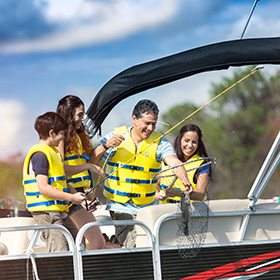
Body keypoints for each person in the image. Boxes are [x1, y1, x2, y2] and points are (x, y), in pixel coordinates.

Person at [92, 99, 192, 248]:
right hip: (121, 206)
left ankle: (111, 245)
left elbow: (173, 160)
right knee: (133, 246)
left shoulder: (160, 143)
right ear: (134, 119)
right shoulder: (115, 136)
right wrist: (106, 145)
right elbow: (91, 160)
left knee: (149, 246)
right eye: (147, 123)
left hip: (147, 208)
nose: (150, 128)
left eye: (154, 124)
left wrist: (184, 178)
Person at [56, 95, 119, 250]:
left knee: (81, 246)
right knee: (97, 242)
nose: (82, 119)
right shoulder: (61, 137)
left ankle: (82, 274)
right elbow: (59, 169)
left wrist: (105, 146)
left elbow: (87, 161)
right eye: (80, 115)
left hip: (80, 194)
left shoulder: (77, 136)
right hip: (69, 195)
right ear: (69, 114)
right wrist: (88, 168)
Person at [23, 112, 85, 252]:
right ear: (52, 133)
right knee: (60, 251)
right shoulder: (40, 155)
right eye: (61, 134)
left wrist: (79, 198)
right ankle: (59, 274)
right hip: (47, 214)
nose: (63, 138)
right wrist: (71, 198)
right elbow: (43, 187)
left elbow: (60, 184)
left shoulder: (53, 154)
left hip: (59, 211)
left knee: (77, 245)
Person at [156, 124, 211, 203]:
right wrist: (158, 195)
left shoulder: (202, 164)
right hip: (166, 212)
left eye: (194, 142)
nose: (190, 145)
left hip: (191, 212)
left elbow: (200, 195)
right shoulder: (166, 159)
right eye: (187, 140)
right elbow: (155, 189)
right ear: (180, 140)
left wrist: (178, 193)